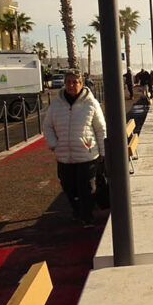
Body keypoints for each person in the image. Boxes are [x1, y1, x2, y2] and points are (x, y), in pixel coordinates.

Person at [42, 69, 107, 226]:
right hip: (64, 154)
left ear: (81, 84)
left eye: (74, 82)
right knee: (68, 186)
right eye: (68, 82)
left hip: (87, 153)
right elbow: (47, 126)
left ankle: (86, 216)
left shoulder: (91, 103)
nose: (71, 85)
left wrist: (103, 151)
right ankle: (77, 210)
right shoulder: (56, 103)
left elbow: (100, 128)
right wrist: (53, 144)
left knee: (87, 188)